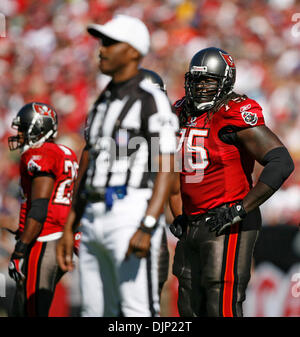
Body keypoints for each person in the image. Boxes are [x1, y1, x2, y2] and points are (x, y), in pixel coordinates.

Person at [56, 15, 178, 317]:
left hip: (130, 209)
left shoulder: (150, 100)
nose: (102, 50)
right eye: (102, 42)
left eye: (111, 43)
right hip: (93, 215)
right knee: (95, 310)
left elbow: (167, 167)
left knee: (137, 311)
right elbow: (91, 169)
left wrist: (148, 223)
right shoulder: (102, 102)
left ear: (134, 52)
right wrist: (70, 225)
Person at [168, 47, 294, 317]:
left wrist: (241, 208)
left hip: (228, 219)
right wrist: (178, 213)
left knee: (220, 303)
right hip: (191, 221)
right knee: (188, 306)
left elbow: (281, 161)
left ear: (224, 81)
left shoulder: (233, 112)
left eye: (208, 81)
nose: (201, 88)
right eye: (197, 81)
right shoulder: (180, 112)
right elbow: (169, 171)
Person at [7, 102, 79, 317]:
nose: (18, 134)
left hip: (45, 238)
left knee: (33, 309)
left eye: (23, 128)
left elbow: (39, 208)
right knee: (23, 307)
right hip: (62, 236)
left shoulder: (41, 155)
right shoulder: (65, 152)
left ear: (38, 129)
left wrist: (20, 248)